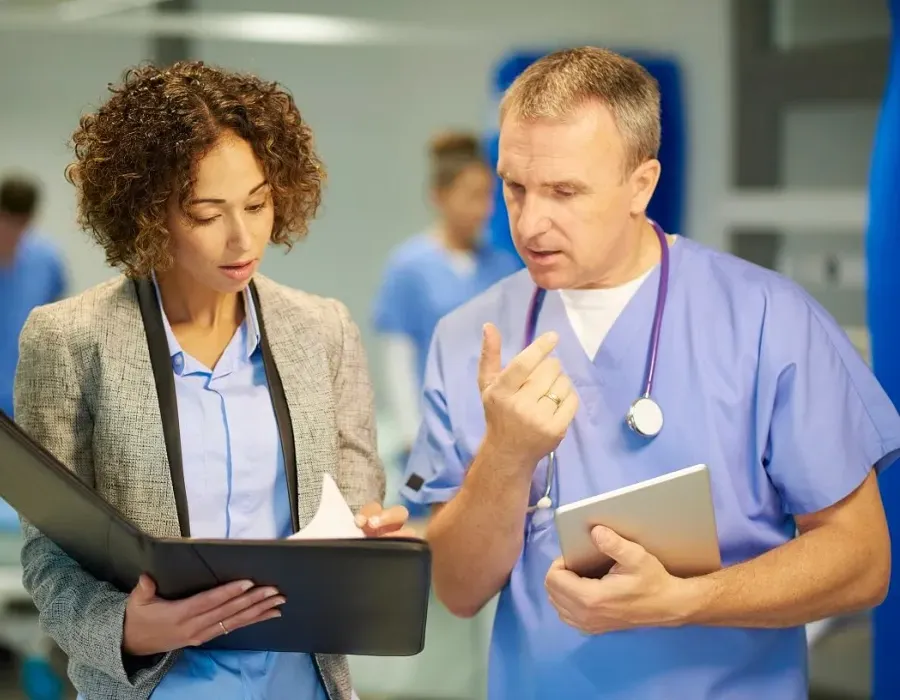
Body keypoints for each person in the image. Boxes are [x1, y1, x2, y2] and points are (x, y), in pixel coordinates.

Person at [400, 46, 900, 700]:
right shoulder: (470, 337)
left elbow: (862, 561)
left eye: (564, 192)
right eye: (514, 187)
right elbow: (459, 590)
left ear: (642, 184)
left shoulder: (766, 320)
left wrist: (684, 600)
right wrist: (506, 454)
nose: (529, 221)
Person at [13, 61, 412, 700]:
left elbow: (358, 494)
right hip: (157, 684)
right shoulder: (70, 339)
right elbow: (49, 553)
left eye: (257, 203)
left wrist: (368, 538)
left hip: (302, 683)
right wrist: (124, 629)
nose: (242, 236)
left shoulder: (323, 330)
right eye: (206, 212)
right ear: (148, 211)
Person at [372, 131, 521, 458]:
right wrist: (412, 432)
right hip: (432, 432)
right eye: (470, 196)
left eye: (487, 196)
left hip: (489, 432)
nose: (482, 209)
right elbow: (399, 355)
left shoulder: (503, 266)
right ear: (439, 196)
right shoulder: (409, 266)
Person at [0, 174, 67, 420]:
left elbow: (56, 325)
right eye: (6, 223)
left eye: (21, 225)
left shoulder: (46, 260)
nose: (12, 235)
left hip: (25, 399)